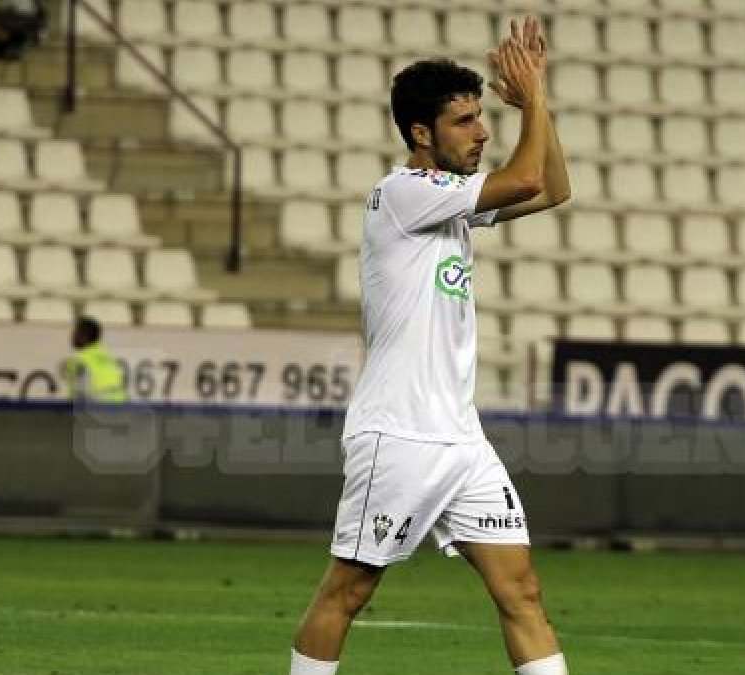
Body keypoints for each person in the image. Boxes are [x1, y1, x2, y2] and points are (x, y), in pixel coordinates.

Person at [289, 16, 571, 675]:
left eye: (482, 116)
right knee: (349, 588)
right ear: (421, 133)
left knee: (520, 589)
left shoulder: (449, 200)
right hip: (400, 432)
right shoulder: (404, 194)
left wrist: (541, 100)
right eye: (465, 121)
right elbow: (527, 179)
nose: (483, 132)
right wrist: (529, 98)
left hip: (460, 437)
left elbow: (555, 188)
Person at [64, 316, 128, 403]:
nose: (71, 335)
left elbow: (75, 398)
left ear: (84, 336)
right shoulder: (110, 358)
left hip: (94, 412)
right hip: (121, 411)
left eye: (74, 332)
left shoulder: (77, 360)